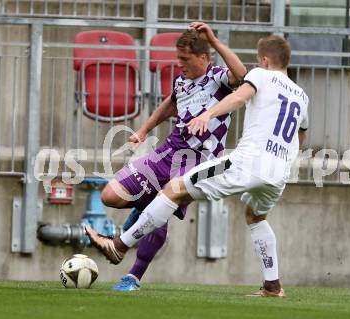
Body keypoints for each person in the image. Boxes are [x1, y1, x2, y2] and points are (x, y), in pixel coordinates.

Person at [87, 35, 308, 297]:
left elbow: (239, 97)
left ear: (264, 60)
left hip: (245, 162)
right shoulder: (302, 96)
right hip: (278, 171)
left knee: (173, 189)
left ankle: (119, 246)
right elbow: (301, 134)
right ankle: (273, 285)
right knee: (256, 216)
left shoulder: (260, 75)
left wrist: (207, 114)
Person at [99, 22, 247, 292]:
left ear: (204, 57)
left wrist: (213, 40)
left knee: (162, 206)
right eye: (178, 58)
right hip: (167, 152)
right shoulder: (181, 81)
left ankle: (133, 277)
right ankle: (148, 212)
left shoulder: (218, 78)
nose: (179, 64)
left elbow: (241, 72)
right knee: (110, 195)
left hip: (196, 163)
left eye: (185, 59)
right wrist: (143, 130)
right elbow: (170, 104)